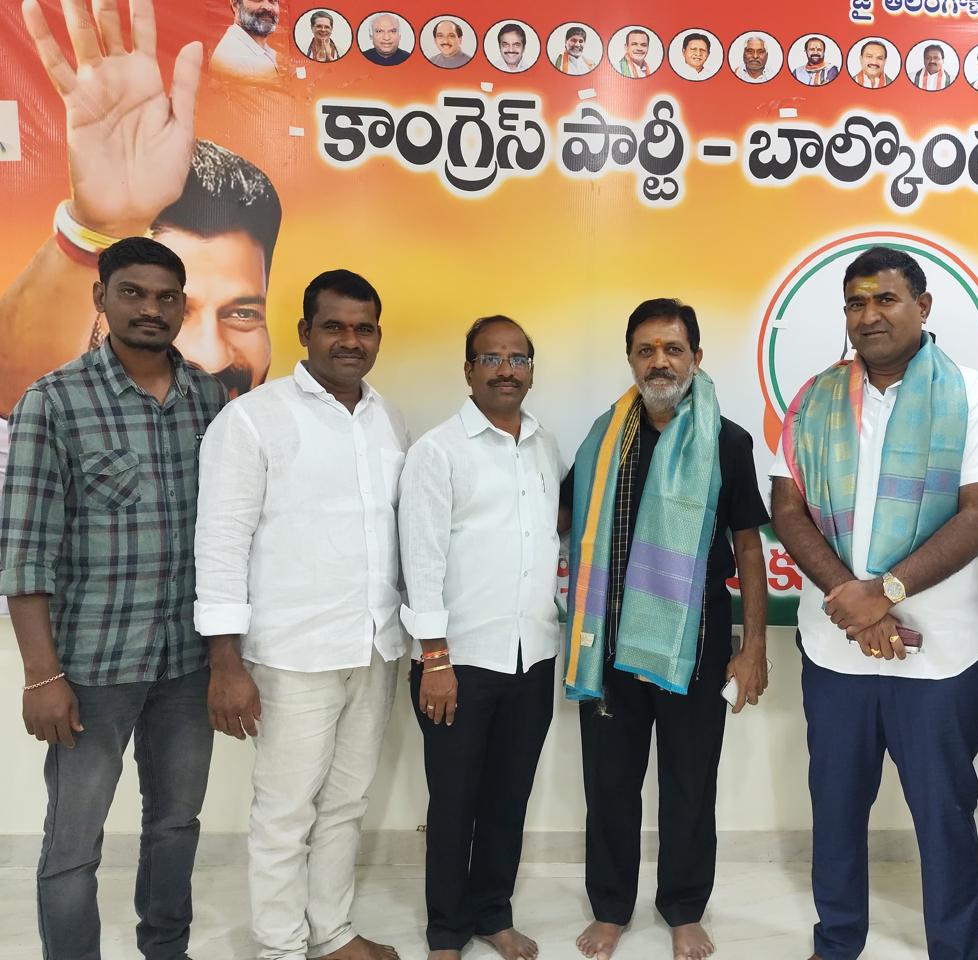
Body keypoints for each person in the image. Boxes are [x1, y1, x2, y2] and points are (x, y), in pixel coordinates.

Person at [770, 246, 978, 960]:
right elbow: (787, 509)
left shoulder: (971, 396)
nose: (869, 315)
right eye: (856, 303)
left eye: (885, 299)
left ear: (923, 306)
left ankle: (954, 949)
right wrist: (853, 603)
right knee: (836, 811)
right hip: (836, 649)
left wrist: (883, 594)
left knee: (944, 815)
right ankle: (836, 942)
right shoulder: (814, 399)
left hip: (939, 655)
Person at [2, 236, 227, 960]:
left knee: (175, 825)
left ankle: (167, 949)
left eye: (166, 297)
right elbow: (24, 553)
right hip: (92, 670)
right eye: (133, 292)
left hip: (187, 665)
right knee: (73, 843)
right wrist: (42, 676)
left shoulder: (210, 401)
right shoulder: (54, 402)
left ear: (182, 307)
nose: (150, 309)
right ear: (100, 296)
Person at [195, 270, 408, 960]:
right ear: (305, 332)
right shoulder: (252, 420)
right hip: (292, 655)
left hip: (374, 647)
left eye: (364, 328)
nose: (350, 340)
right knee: (285, 814)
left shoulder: (386, 418)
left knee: (345, 804)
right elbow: (221, 543)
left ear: (378, 336)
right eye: (334, 326)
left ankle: (331, 932)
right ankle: (281, 947)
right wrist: (225, 661)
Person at [564, 299, 770, 960]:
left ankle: (683, 907)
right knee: (610, 784)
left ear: (696, 358)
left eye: (673, 349)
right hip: (609, 643)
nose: (660, 362)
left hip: (697, 643)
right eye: (646, 350)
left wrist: (754, 647)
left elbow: (748, 546)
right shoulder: (603, 441)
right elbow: (569, 519)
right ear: (631, 359)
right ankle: (611, 907)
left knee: (689, 783)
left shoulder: (727, 441)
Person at [4, 1, 282, 413]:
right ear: (100, 302)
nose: (212, 358)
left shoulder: (281, 431)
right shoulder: (62, 426)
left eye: (242, 314)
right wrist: (99, 226)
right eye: (170, 304)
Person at [399, 316, 562, 960]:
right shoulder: (438, 451)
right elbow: (421, 560)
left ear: (531, 371)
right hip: (457, 662)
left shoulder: (544, 446)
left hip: (532, 657)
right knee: (454, 802)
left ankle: (494, 914)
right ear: (468, 370)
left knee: (508, 798)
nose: (505, 369)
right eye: (490, 358)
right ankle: (446, 932)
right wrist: (435, 659)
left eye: (518, 358)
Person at [210, 0, 280, 79]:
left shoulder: (260, 50)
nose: (267, 7)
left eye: (273, 0)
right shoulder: (233, 60)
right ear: (235, 5)